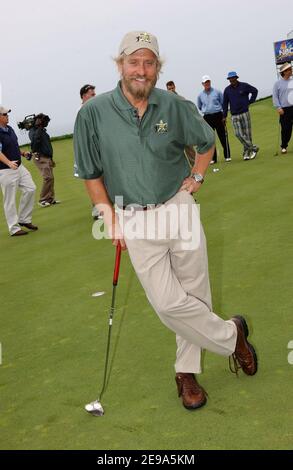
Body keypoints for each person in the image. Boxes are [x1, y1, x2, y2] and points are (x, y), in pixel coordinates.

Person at [74, 31, 257, 411]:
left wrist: (198, 176)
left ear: (158, 67)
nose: (141, 70)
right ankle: (232, 336)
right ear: (120, 64)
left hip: (178, 205)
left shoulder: (174, 105)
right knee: (168, 303)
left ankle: (186, 372)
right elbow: (91, 173)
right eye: (134, 61)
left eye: (149, 62)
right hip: (134, 217)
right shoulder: (93, 112)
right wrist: (109, 218)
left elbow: (205, 143)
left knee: (195, 293)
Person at [0, 106, 38, 236]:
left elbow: (13, 146)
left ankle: (24, 219)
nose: (7, 116)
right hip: (6, 170)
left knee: (31, 188)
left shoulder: (9, 129)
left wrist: (23, 153)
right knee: (9, 200)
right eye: (5, 114)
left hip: (19, 166)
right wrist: (8, 163)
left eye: (7, 114)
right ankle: (14, 228)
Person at [223, 71, 259, 160]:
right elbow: (225, 103)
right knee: (238, 134)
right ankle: (253, 148)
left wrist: (251, 101)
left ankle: (247, 153)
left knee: (247, 134)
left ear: (236, 78)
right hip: (234, 115)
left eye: (233, 78)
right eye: (230, 79)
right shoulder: (227, 90)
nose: (231, 80)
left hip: (244, 113)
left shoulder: (244, 85)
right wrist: (224, 116)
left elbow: (255, 91)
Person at [197, 75, 231, 163]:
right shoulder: (200, 95)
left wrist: (224, 116)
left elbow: (223, 103)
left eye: (208, 82)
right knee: (210, 139)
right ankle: (213, 158)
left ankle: (227, 156)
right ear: (202, 84)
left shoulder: (217, 92)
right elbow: (200, 106)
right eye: (205, 82)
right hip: (207, 117)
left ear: (210, 82)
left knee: (222, 136)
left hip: (218, 116)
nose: (207, 83)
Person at [28, 114, 60, 207]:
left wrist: (51, 158)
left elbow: (47, 146)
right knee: (48, 178)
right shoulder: (33, 131)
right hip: (40, 157)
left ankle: (50, 199)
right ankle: (43, 199)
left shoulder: (43, 131)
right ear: (38, 121)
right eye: (44, 121)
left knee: (51, 178)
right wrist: (38, 128)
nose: (46, 123)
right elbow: (35, 143)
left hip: (47, 157)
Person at [272, 62, 293, 154]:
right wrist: (278, 107)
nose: (291, 71)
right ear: (284, 72)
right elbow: (275, 97)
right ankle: (284, 146)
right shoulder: (278, 84)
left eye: (291, 69)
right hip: (284, 109)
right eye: (289, 70)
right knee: (286, 129)